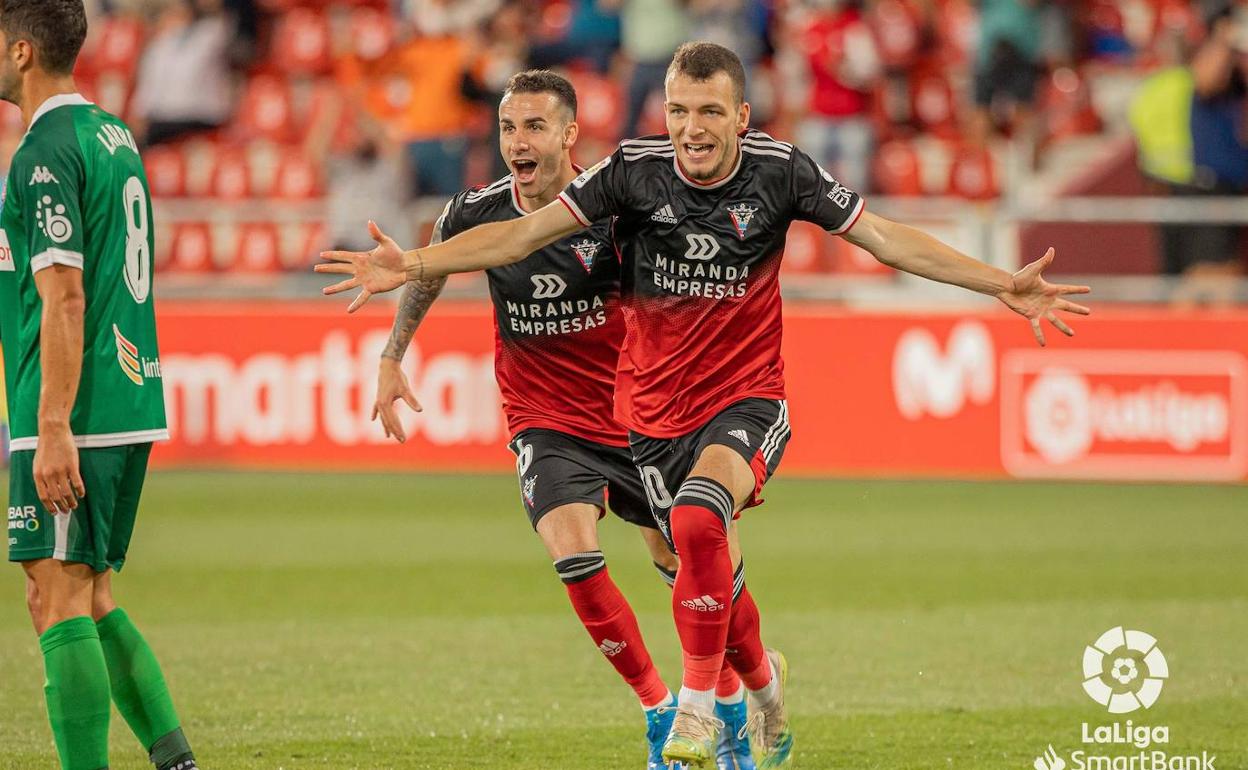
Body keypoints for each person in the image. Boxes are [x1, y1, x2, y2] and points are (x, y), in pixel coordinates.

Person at [318, 42, 1091, 768]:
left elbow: (886, 239)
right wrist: (412, 268)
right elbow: (519, 239)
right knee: (685, 553)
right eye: (680, 110)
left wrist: (1000, 284)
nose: (693, 127)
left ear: (742, 117)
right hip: (652, 418)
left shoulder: (783, 173)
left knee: (694, 521)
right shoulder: (630, 176)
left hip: (747, 398)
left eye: (711, 111)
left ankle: (688, 709)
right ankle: (763, 689)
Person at [370, 69, 756, 770]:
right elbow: (428, 273)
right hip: (544, 419)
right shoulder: (473, 212)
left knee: (686, 564)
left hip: (634, 414)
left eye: (535, 126)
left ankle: (730, 699)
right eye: (508, 127)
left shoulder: (614, 208)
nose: (518, 142)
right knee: (573, 557)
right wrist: (393, 355)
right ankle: (657, 709)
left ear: (570, 134)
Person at [0, 2, 198, 769]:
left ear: (21, 51)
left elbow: (67, 296)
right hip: (125, 394)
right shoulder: (111, 133)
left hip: (75, 411)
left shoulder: (45, 149)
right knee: (85, 595)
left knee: (57, 601)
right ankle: (174, 760)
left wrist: (51, 426)